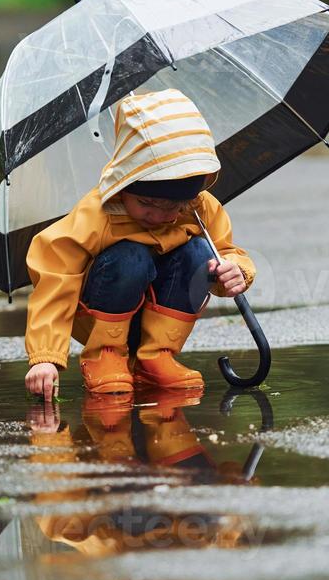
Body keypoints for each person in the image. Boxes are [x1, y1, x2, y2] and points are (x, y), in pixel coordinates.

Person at [24, 87, 256, 400]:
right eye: (147, 202)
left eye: (173, 207)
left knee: (200, 252)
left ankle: (157, 356)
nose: (160, 215)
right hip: (101, 313)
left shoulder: (198, 208)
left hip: (159, 314)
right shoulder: (99, 213)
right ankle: (105, 356)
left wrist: (234, 271)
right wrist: (46, 356)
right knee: (131, 257)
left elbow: (225, 251)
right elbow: (56, 275)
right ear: (125, 185)